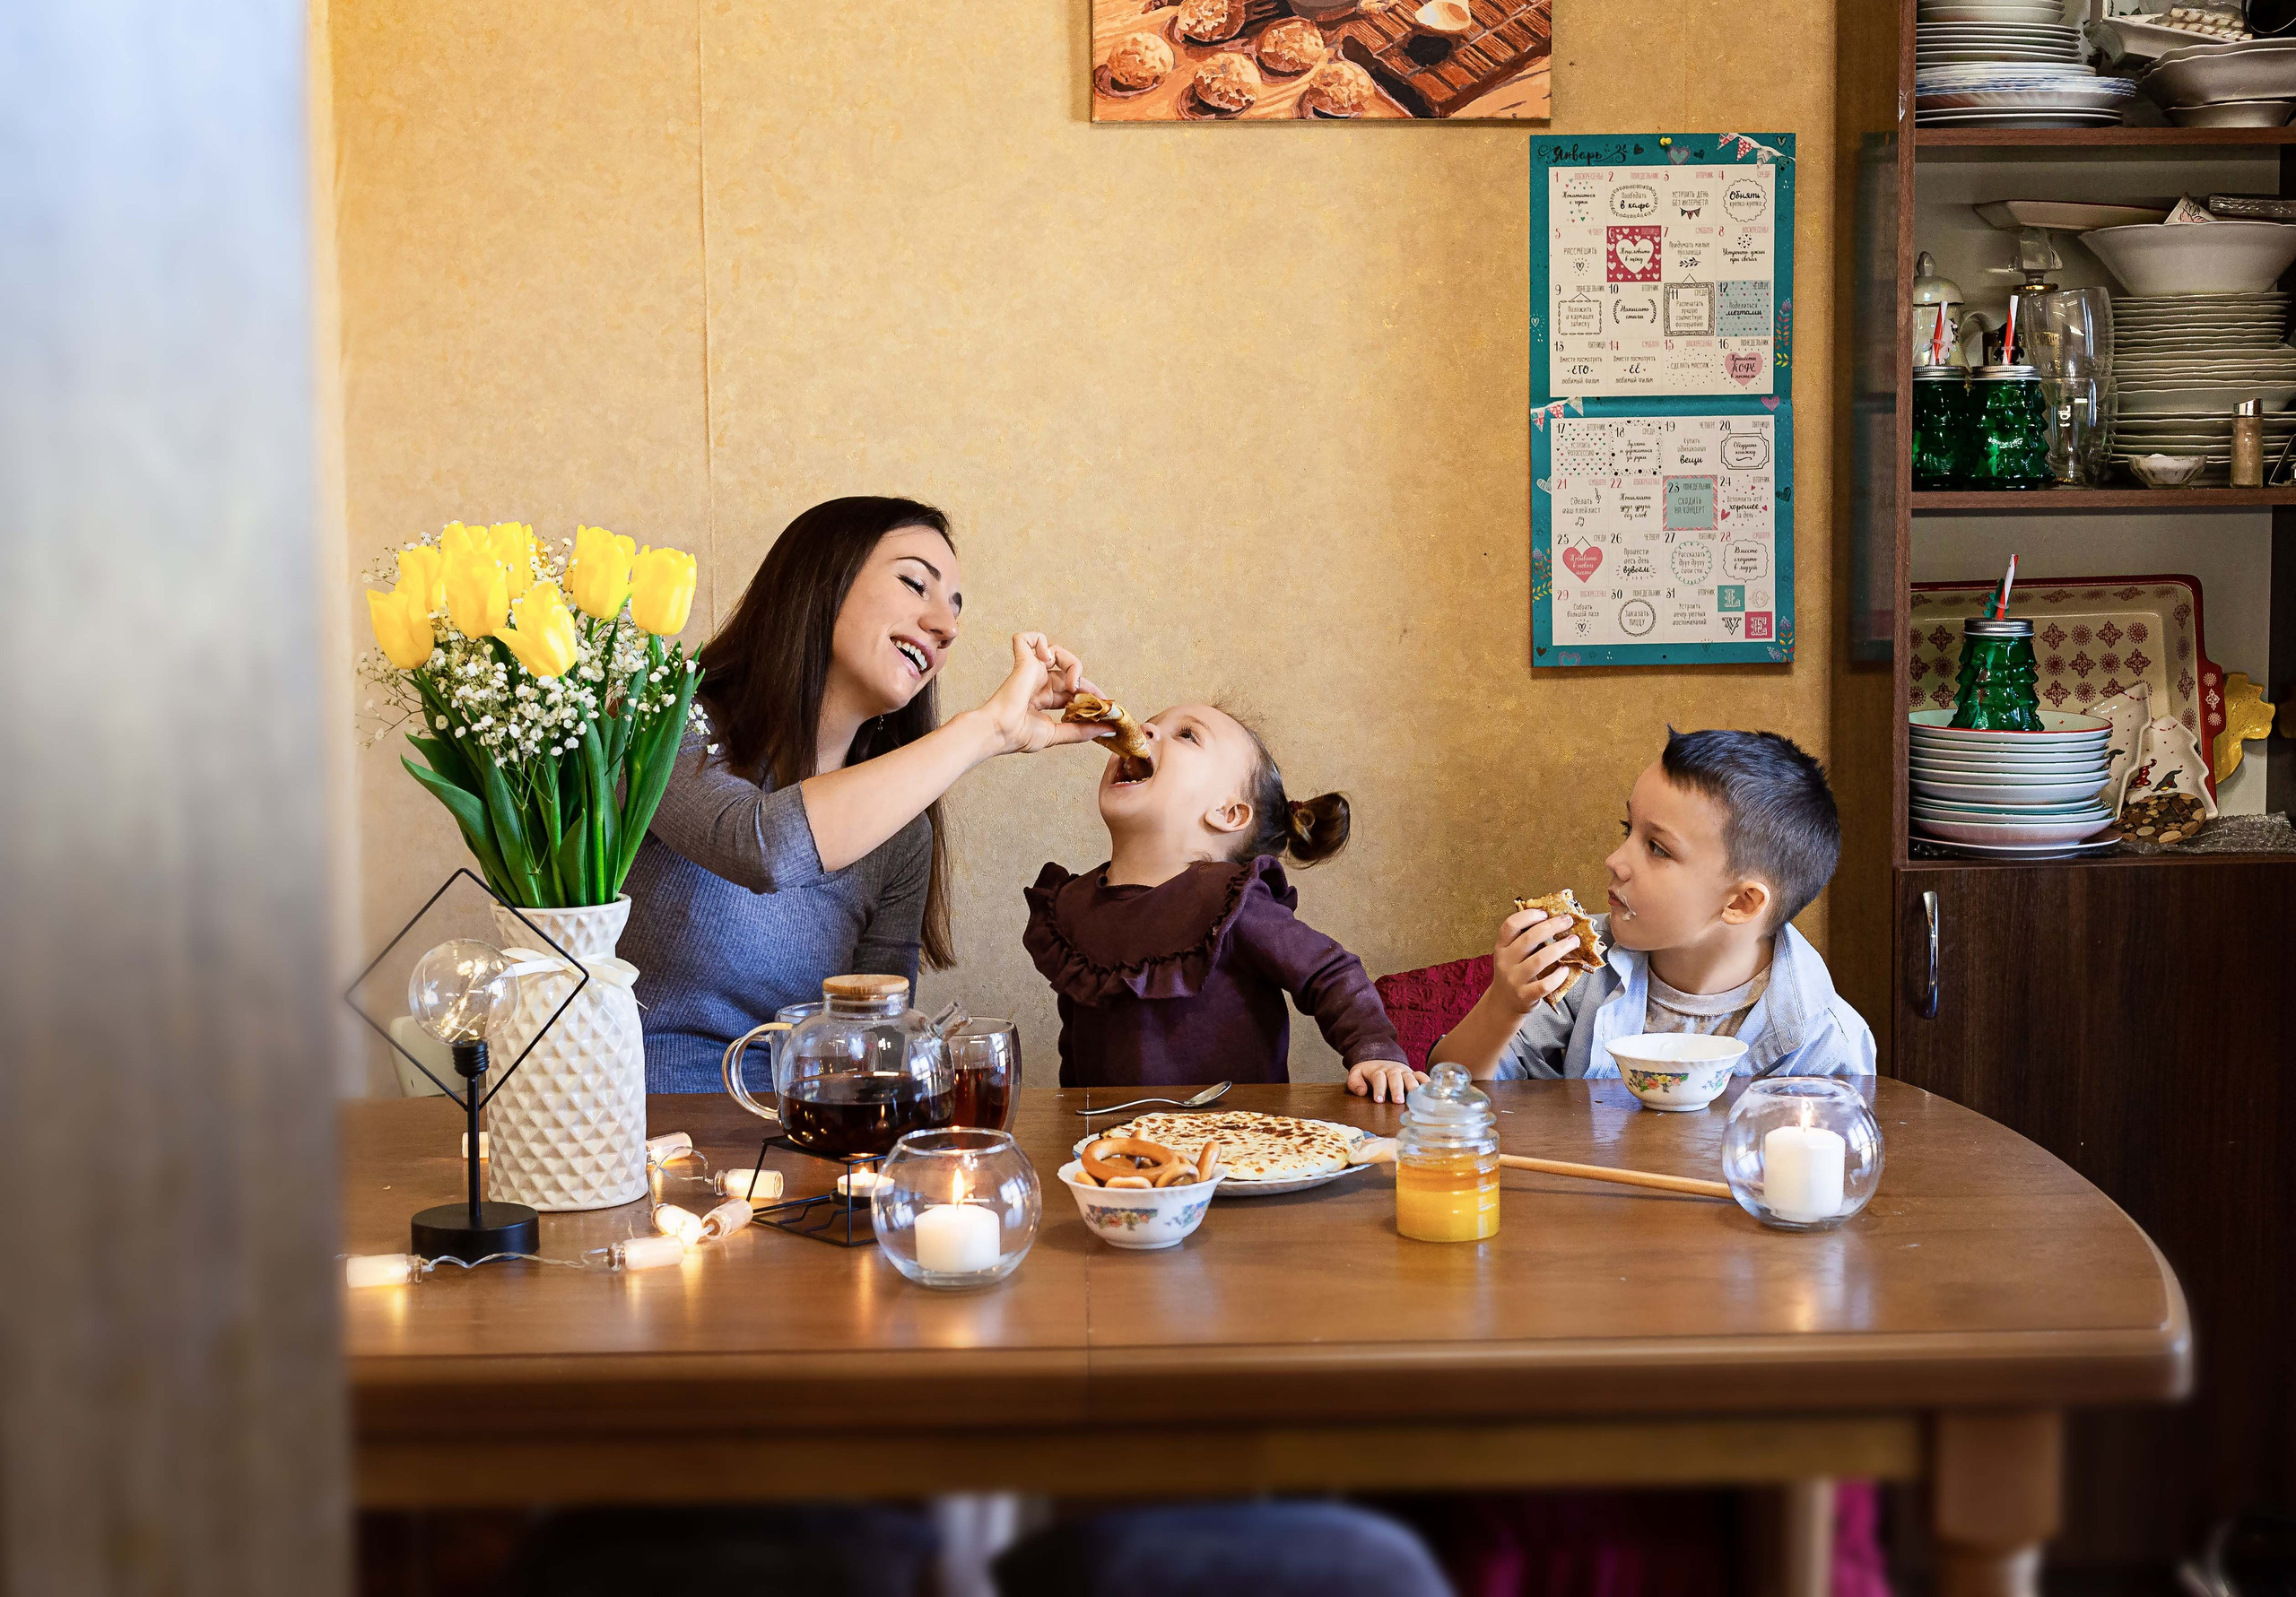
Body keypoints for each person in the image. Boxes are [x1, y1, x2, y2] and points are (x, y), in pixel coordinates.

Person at [621, 497, 1104, 1092]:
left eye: (954, 609)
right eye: (914, 584)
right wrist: (988, 730)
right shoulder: (667, 716)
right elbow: (760, 846)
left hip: (792, 1146)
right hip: (622, 1131)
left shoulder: (902, 835)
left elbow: (876, 1042)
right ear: (821, 579)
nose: (946, 627)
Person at [1022, 701, 1420, 1099]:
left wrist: (1375, 1051)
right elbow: (1075, 1046)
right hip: (1119, 1146)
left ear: (1228, 813)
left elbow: (1329, 972)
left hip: (1239, 1145)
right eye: (1153, 722)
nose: (1143, 728)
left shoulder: (1233, 904)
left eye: (1187, 734)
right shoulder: (1072, 906)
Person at [1432, 728, 1875, 1081]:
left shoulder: (1823, 1041)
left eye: (1658, 849)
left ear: (1741, 902)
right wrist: (1504, 1006)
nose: (1615, 861)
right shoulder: (1585, 973)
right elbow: (1448, 1087)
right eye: (1628, 828)